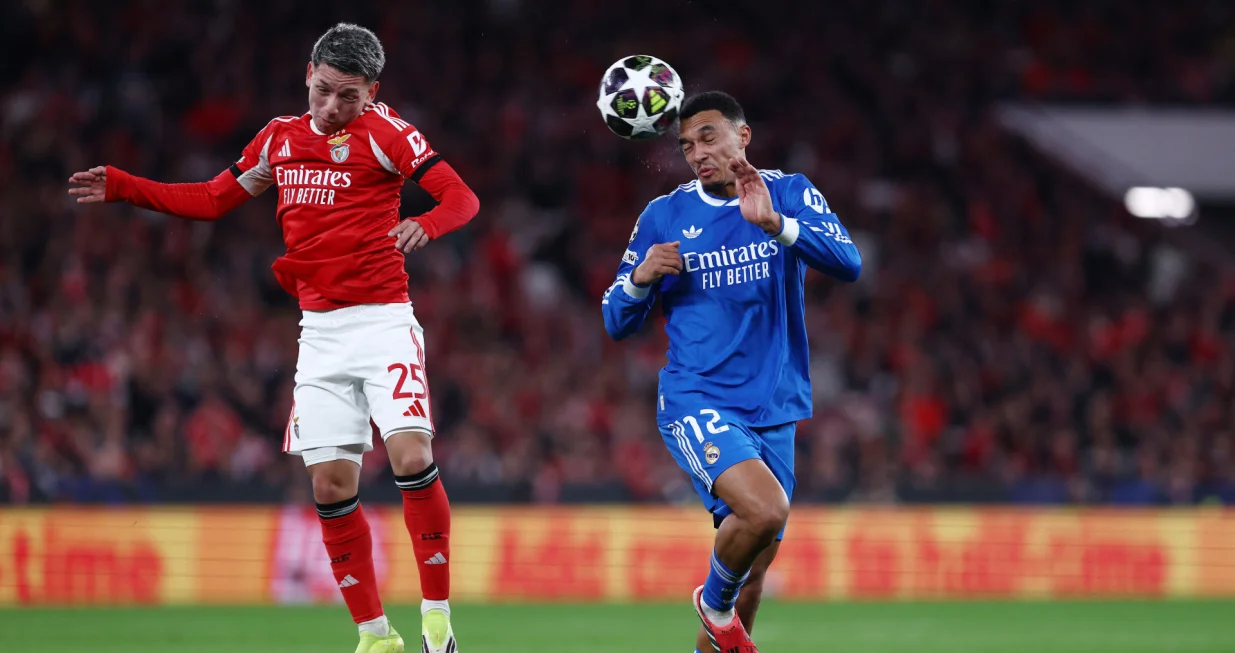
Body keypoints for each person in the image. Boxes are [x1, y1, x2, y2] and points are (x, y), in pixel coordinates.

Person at [67, 23, 477, 653]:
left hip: (384, 319)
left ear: (373, 92)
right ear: (307, 73)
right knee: (330, 486)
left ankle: (437, 619)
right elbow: (209, 199)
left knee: (411, 456)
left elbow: (461, 197)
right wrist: (126, 187)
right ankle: (374, 636)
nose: (333, 108)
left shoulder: (389, 133)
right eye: (323, 91)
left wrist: (426, 222)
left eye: (349, 97)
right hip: (320, 333)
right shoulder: (278, 139)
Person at [601, 91, 861, 653]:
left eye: (709, 137)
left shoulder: (788, 193)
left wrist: (778, 226)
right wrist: (639, 278)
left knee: (756, 568)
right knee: (764, 510)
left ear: (743, 136)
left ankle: (720, 617)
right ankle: (711, 603)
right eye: (686, 145)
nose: (697, 152)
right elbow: (616, 321)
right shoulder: (664, 215)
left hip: (775, 406)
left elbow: (849, 263)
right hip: (698, 398)